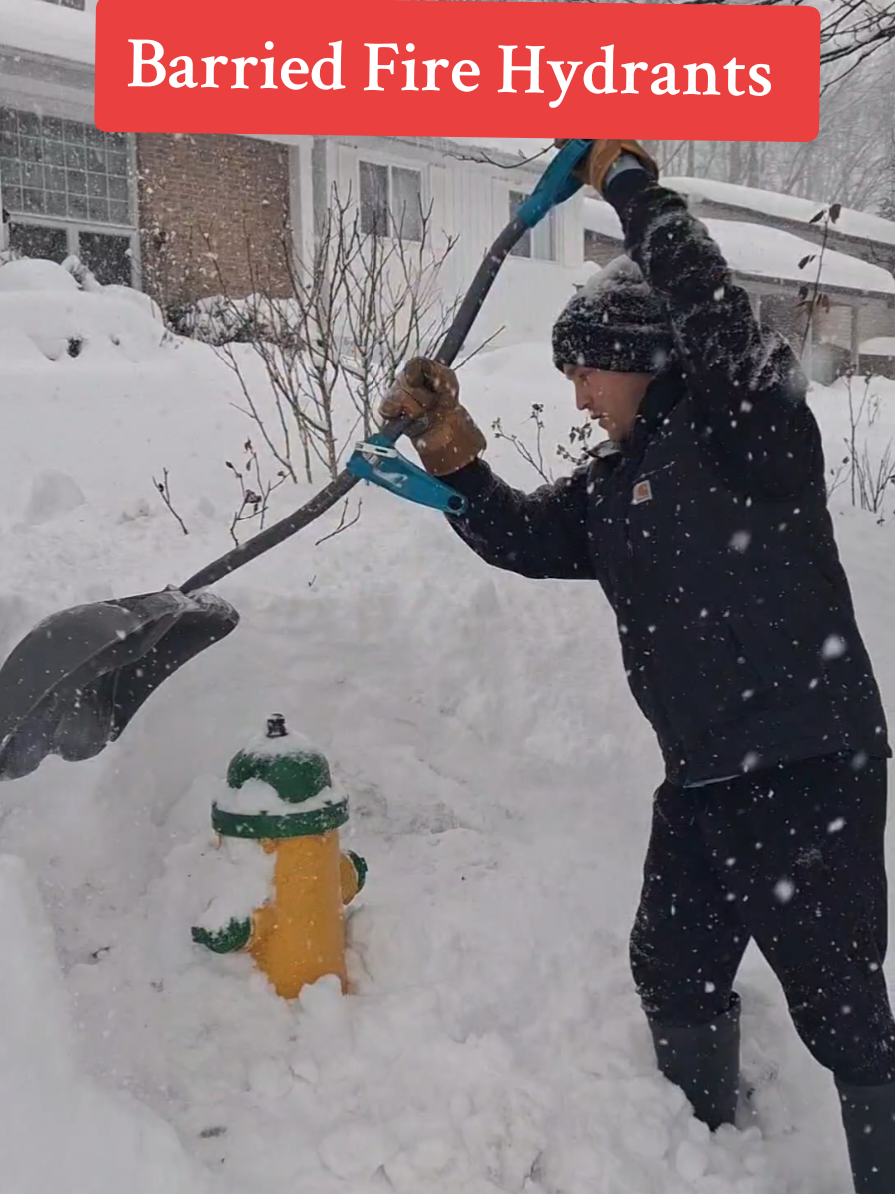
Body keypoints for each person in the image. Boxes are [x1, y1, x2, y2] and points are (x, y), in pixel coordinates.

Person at [379, 140, 895, 1193]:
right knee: (672, 968)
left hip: (805, 771)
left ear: (641, 352)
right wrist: (450, 451)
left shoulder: (750, 430)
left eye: (582, 368)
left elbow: (706, 300)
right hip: (702, 782)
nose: (575, 396)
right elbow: (522, 537)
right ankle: (703, 1152)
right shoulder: (617, 490)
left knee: (842, 1012)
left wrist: (628, 185)